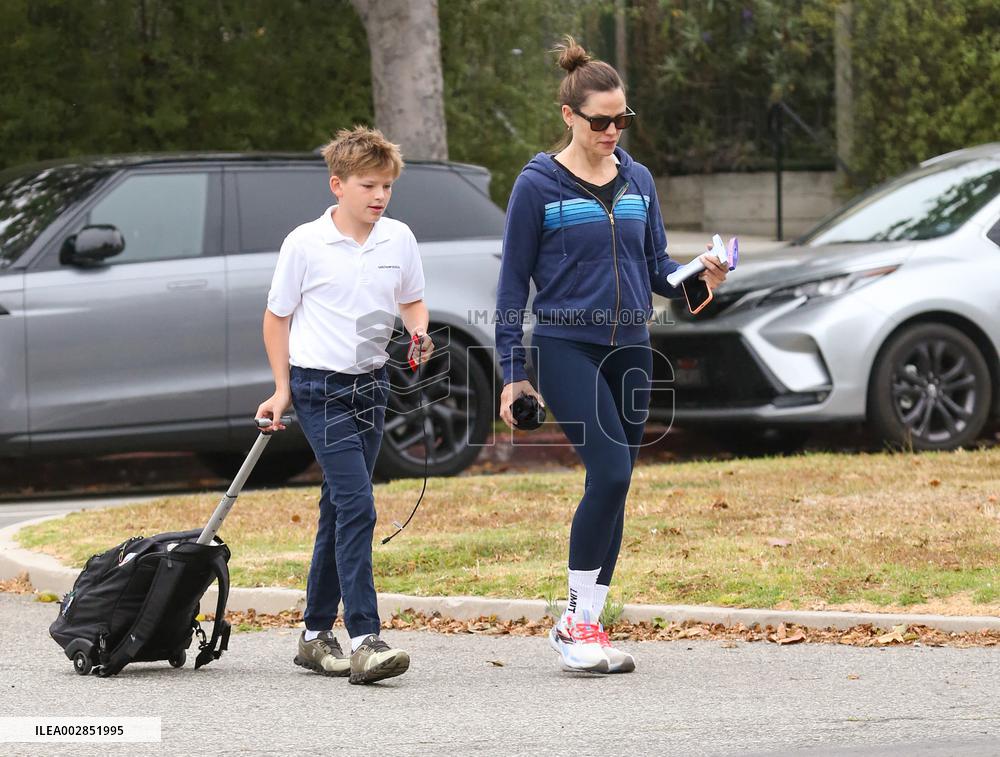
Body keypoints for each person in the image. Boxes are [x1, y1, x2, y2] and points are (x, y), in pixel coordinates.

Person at [494, 37, 728, 674]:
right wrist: (512, 374)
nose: (613, 131)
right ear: (569, 115)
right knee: (614, 473)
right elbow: (512, 286)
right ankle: (572, 622)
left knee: (616, 487)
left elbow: (656, 269)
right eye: (601, 120)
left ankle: (588, 625)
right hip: (568, 345)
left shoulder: (639, 179)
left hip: (631, 346)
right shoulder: (537, 184)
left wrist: (701, 274)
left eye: (622, 119)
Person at [256, 126, 433, 684]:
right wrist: (281, 389)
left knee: (337, 508)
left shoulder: (398, 238)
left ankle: (313, 635)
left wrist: (419, 333)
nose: (379, 196)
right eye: (368, 185)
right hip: (316, 389)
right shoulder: (304, 243)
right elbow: (276, 317)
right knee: (359, 506)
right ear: (338, 185)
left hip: (371, 387)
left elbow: (413, 301)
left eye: (386, 187)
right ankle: (365, 636)